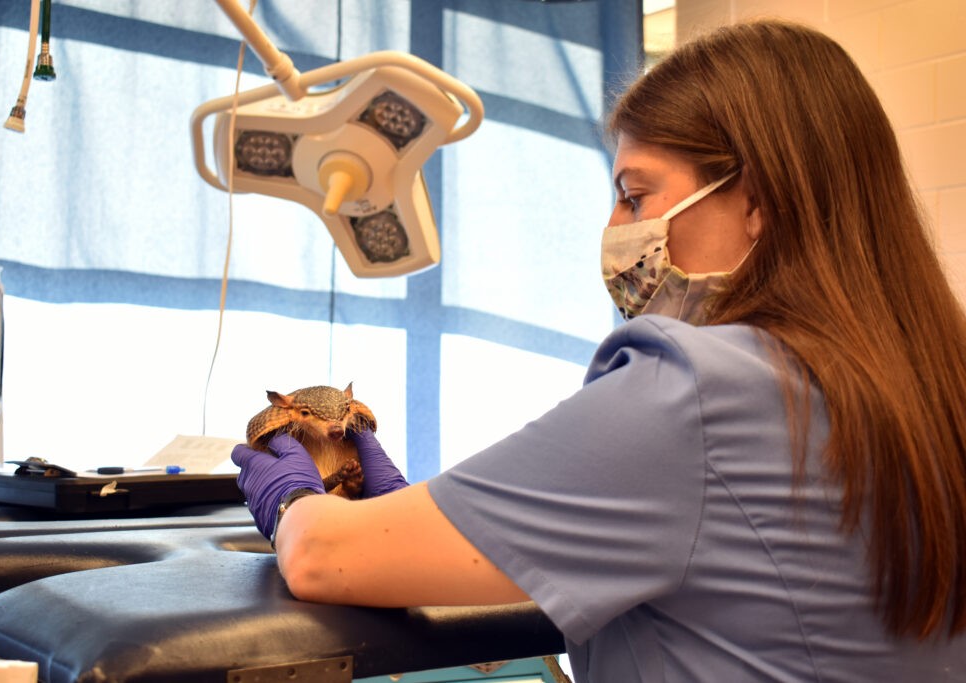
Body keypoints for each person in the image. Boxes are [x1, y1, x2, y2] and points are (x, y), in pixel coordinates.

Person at [229, 19, 966, 681]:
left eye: (636, 195)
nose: (614, 228)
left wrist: (288, 488)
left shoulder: (698, 392)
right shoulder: (929, 386)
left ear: (759, 199)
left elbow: (322, 556)